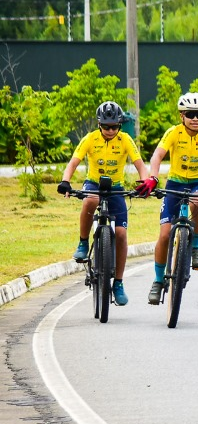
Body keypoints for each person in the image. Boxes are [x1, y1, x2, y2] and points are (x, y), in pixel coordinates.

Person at [58, 101, 156, 306]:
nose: (110, 130)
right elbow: (73, 162)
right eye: (106, 126)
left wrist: (146, 181)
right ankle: (83, 242)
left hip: (116, 188)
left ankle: (118, 283)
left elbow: (140, 165)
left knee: (120, 233)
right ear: (99, 124)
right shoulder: (90, 139)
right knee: (90, 200)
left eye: (114, 126)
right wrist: (66, 181)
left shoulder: (125, 139)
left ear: (120, 125)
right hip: (93, 183)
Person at [145, 92, 198, 304]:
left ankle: (196, 246)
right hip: (175, 183)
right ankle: (158, 280)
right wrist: (153, 177)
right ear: (182, 116)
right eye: (191, 114)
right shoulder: (173, 133)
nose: (196, 119)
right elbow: (157, 156)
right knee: (163, 235)